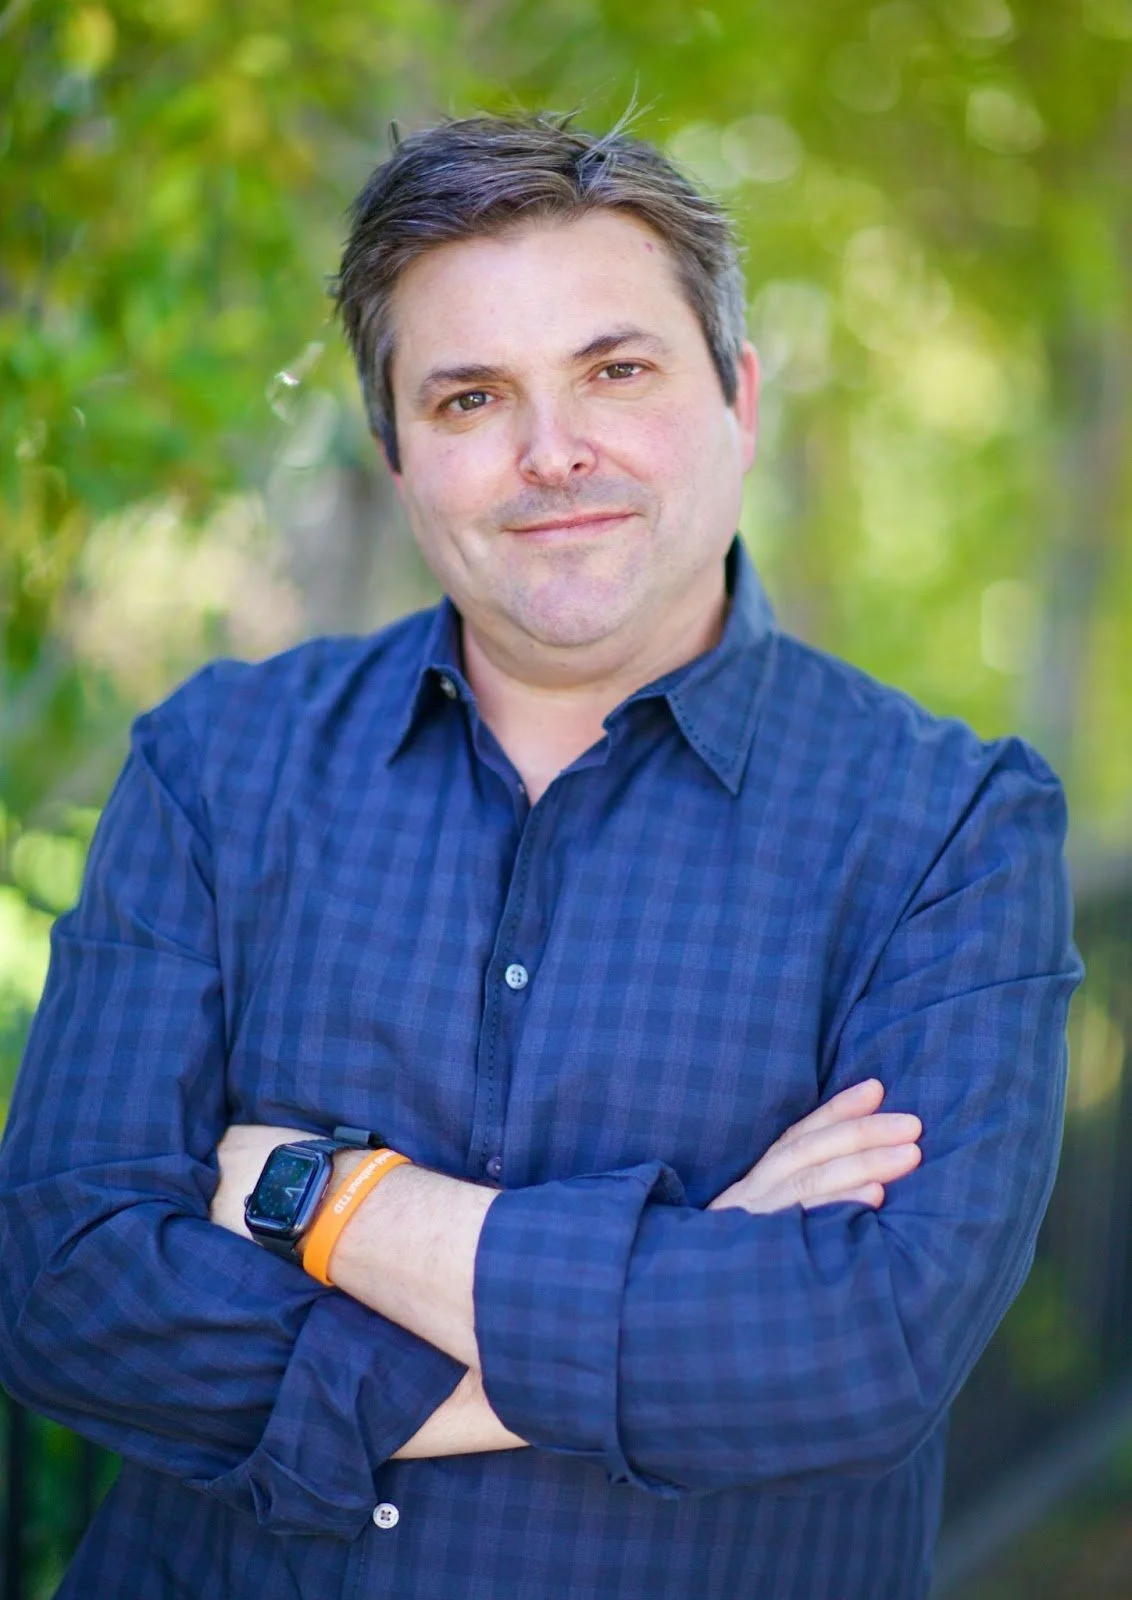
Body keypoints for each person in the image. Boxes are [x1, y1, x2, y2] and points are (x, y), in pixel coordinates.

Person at [0, 113, 1081, 1600]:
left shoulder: (951, 828)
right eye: (468, 398)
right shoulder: (212, 770)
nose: (552, 448)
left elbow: (865, 1348)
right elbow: (65, 1294)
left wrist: (325, 1202)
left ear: (737, 397)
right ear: (396, 456)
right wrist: (686, 1303)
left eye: (616, 370)